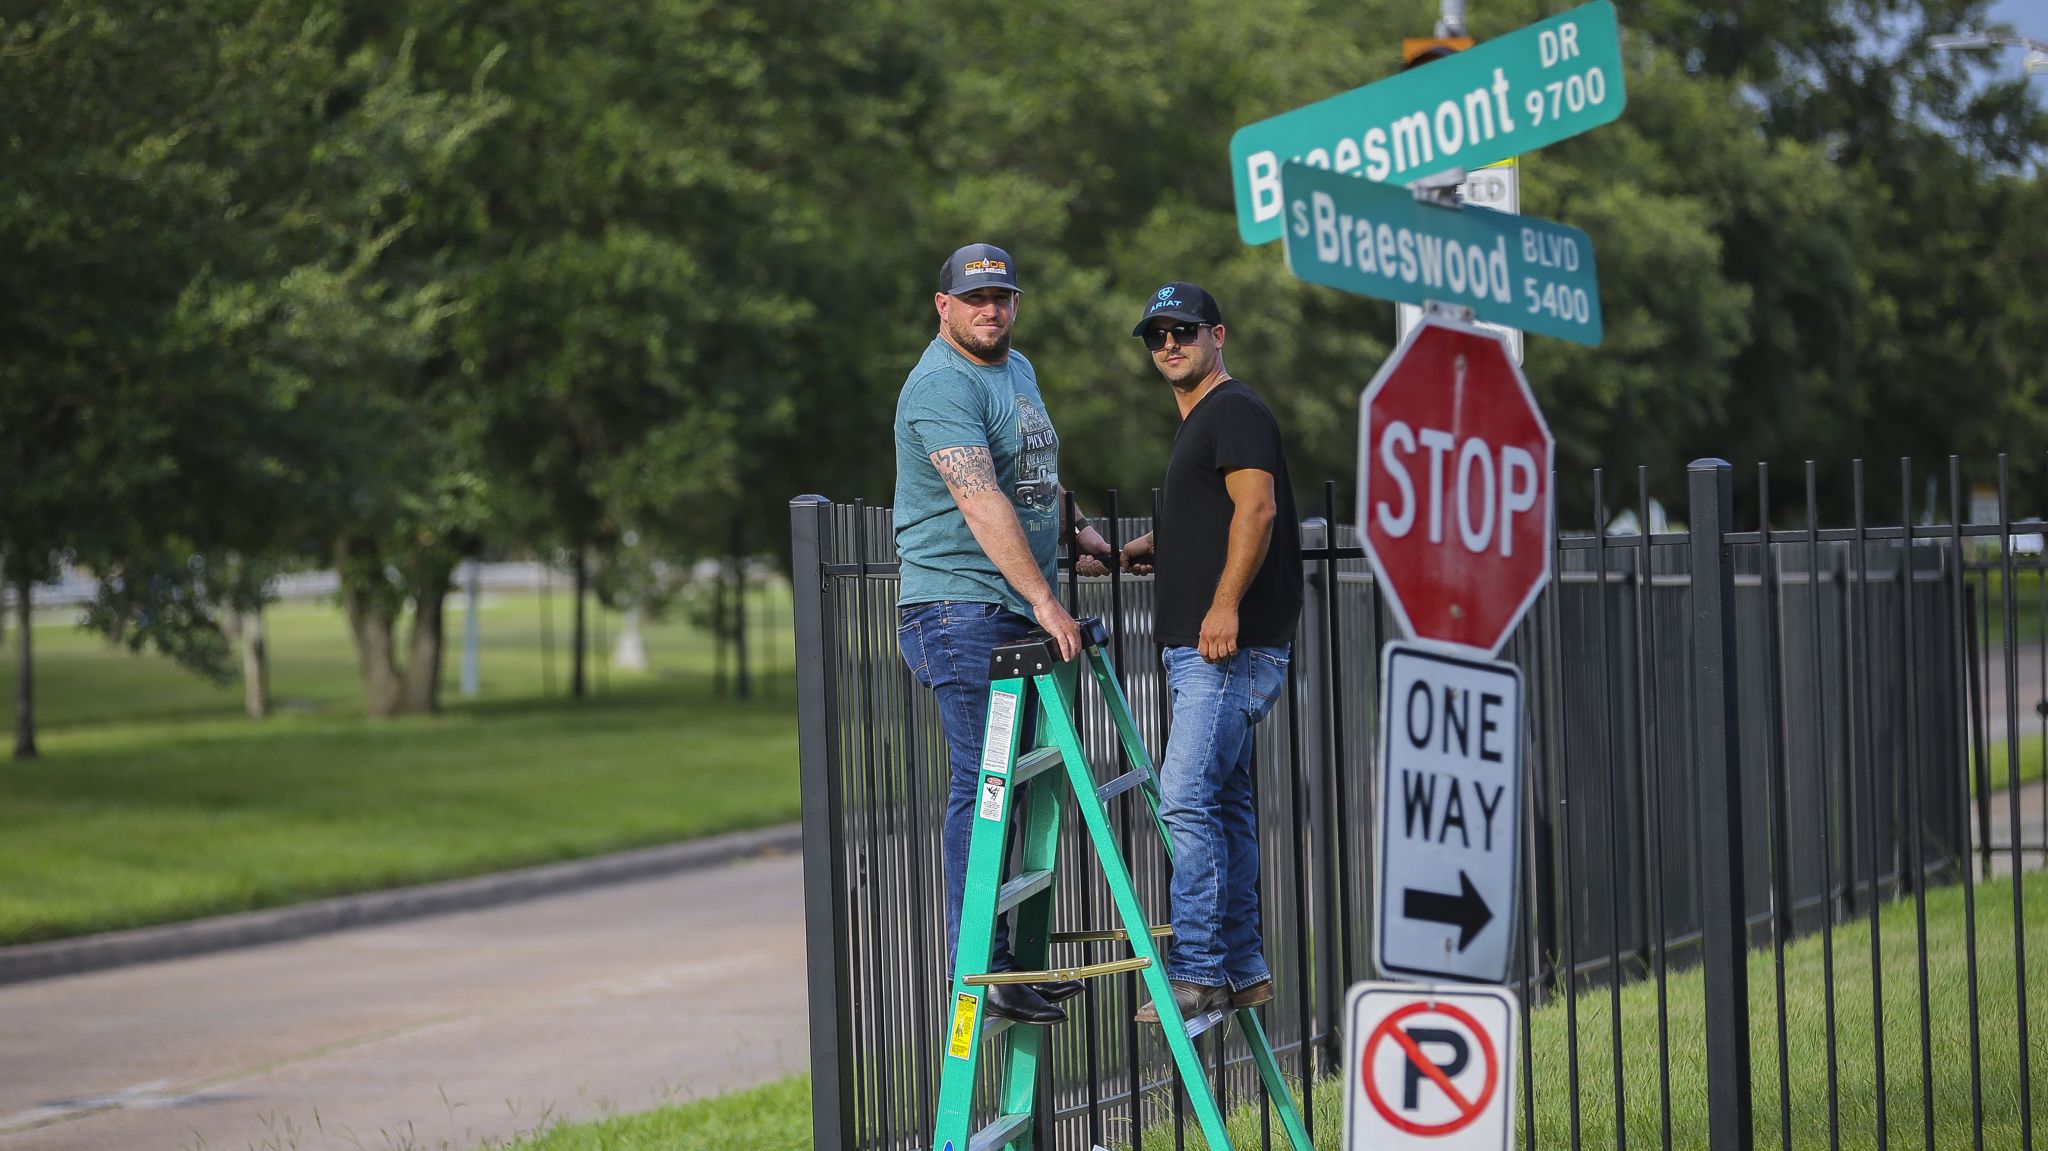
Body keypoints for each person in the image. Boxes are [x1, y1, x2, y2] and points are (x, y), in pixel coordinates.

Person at [894, 242, 1114, 1025]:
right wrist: (1048, 603)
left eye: (1003, 297)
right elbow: (982, 500)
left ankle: (1007, 966)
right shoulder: (939, 386)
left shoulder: (1015, 370)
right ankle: (980, 973)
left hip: (1005, 606)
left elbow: (1034, 473)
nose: (990, 311)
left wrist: (1080, 532)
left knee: (1010, 790)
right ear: (943, 305)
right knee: (983, 787)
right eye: (975, 299)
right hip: (957, 610)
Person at [1118, 282, 1302, 1023]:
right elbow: (1221, 515)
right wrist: (1152, 548)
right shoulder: (1204, 420)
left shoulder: (1233, 409)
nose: (1170, 344)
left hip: (1226, 649)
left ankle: (1196, 972)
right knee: (1223, 808)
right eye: (1156, 334)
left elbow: (1257, 509)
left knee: (1185, 798)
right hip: (1206, 650)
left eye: (1183, 331)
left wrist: (1223, 605)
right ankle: (1244, 966)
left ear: (1216, 334)